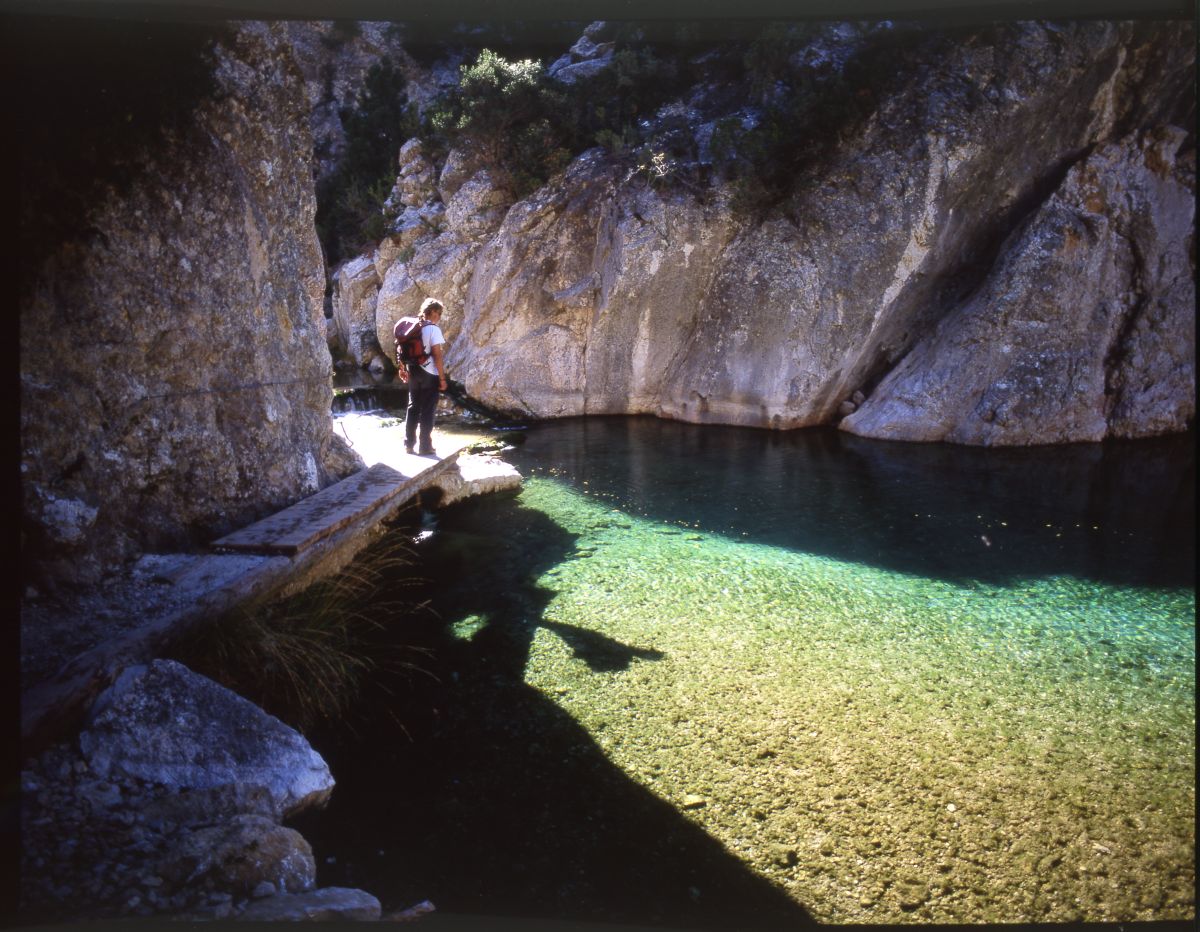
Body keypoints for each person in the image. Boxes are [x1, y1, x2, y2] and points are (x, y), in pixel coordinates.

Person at [397, 297, 449, 456]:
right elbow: (437, 356)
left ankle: (409, 444)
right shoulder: (433, 329)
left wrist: (402, 368)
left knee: (413, 407)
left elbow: (400, 348)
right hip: (429, 373)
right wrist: (442, 379)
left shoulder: (413, 327)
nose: (439, 317)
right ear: (432, 312)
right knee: (427, 409)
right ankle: (425, 446)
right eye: (438, 313)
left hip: (413, 370)